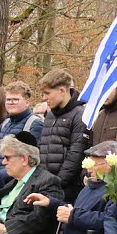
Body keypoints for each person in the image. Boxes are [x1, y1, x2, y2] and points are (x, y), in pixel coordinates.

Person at [37, 68, 89, 202]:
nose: (44, 98)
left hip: (66, 191)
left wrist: (57, 183)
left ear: (62, 90)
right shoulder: (49, 116)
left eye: (47, 93)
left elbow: (76, 154)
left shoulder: (80, 115)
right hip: (46, 186)